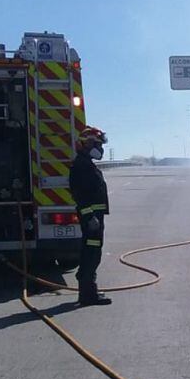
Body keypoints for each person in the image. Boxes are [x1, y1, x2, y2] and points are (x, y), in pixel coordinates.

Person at [70, 126, 111, 306]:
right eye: (97, 144)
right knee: (91, 254)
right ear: (86, 144)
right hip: (91, 220)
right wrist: (89, 217)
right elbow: (80, 195)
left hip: (94, 218)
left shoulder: (86, 163)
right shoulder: (81, 165)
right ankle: (87, 295)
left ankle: (89, 291)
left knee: (93, 253)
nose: (100, 149)